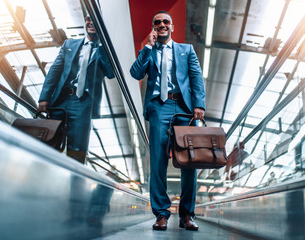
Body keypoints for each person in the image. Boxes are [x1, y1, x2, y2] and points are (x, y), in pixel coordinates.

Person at [130, 10, 205, 231]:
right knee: (158, 162)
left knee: (189, 160)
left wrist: (198, 104)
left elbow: (196, 78)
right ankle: (161, 213)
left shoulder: (186, 50)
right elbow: (135, 73)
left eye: (166, 22)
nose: (162, 24)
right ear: (154, 28)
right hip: (158, 107)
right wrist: (147, 47)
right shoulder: (149, 51)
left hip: (184, 108)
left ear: (172, 27)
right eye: (157, 22)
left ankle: (187, 215)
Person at [38, 16, 114, 164]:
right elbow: (55, 71)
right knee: (49, 141)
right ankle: (44, 171)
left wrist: (102, 47)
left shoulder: (105, 50)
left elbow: (110, 73)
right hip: (60, 99)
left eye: (96, 21)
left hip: (83, 103)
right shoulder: (69, 44)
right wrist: (44, 97)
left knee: (77, 149)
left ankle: (74, 181)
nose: (91, 23)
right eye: (88, 19)